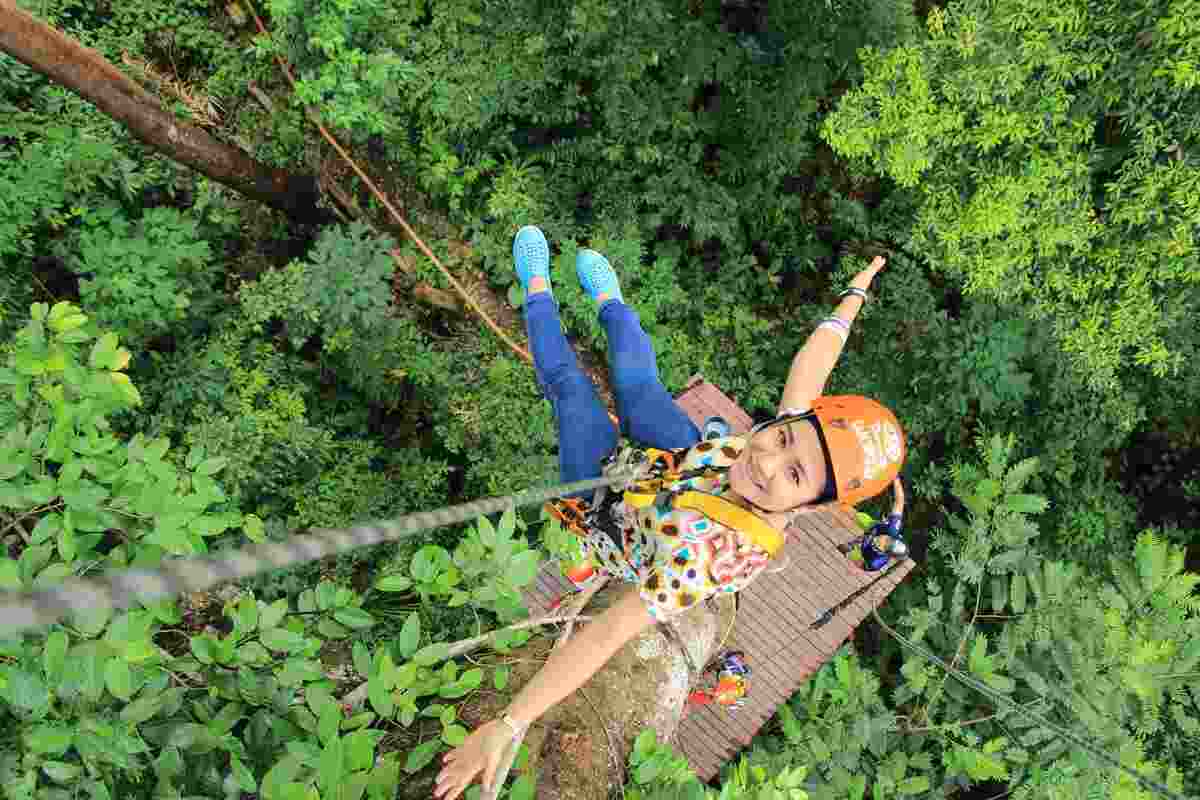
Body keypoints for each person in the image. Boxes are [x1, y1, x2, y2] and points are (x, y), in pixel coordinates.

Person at [434, 226, 906, 800]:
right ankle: (612, 304)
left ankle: (535, 288)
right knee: (638, 381)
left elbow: (607, 634)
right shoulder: (785, 441)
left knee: (570, 389)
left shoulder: (708, 559)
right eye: (782, 439)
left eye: (795, 475)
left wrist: (509, 725)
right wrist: (854, 296)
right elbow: (815, 360)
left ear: (812, 505)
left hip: (609, 505)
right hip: (681, 460)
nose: (768, 461)